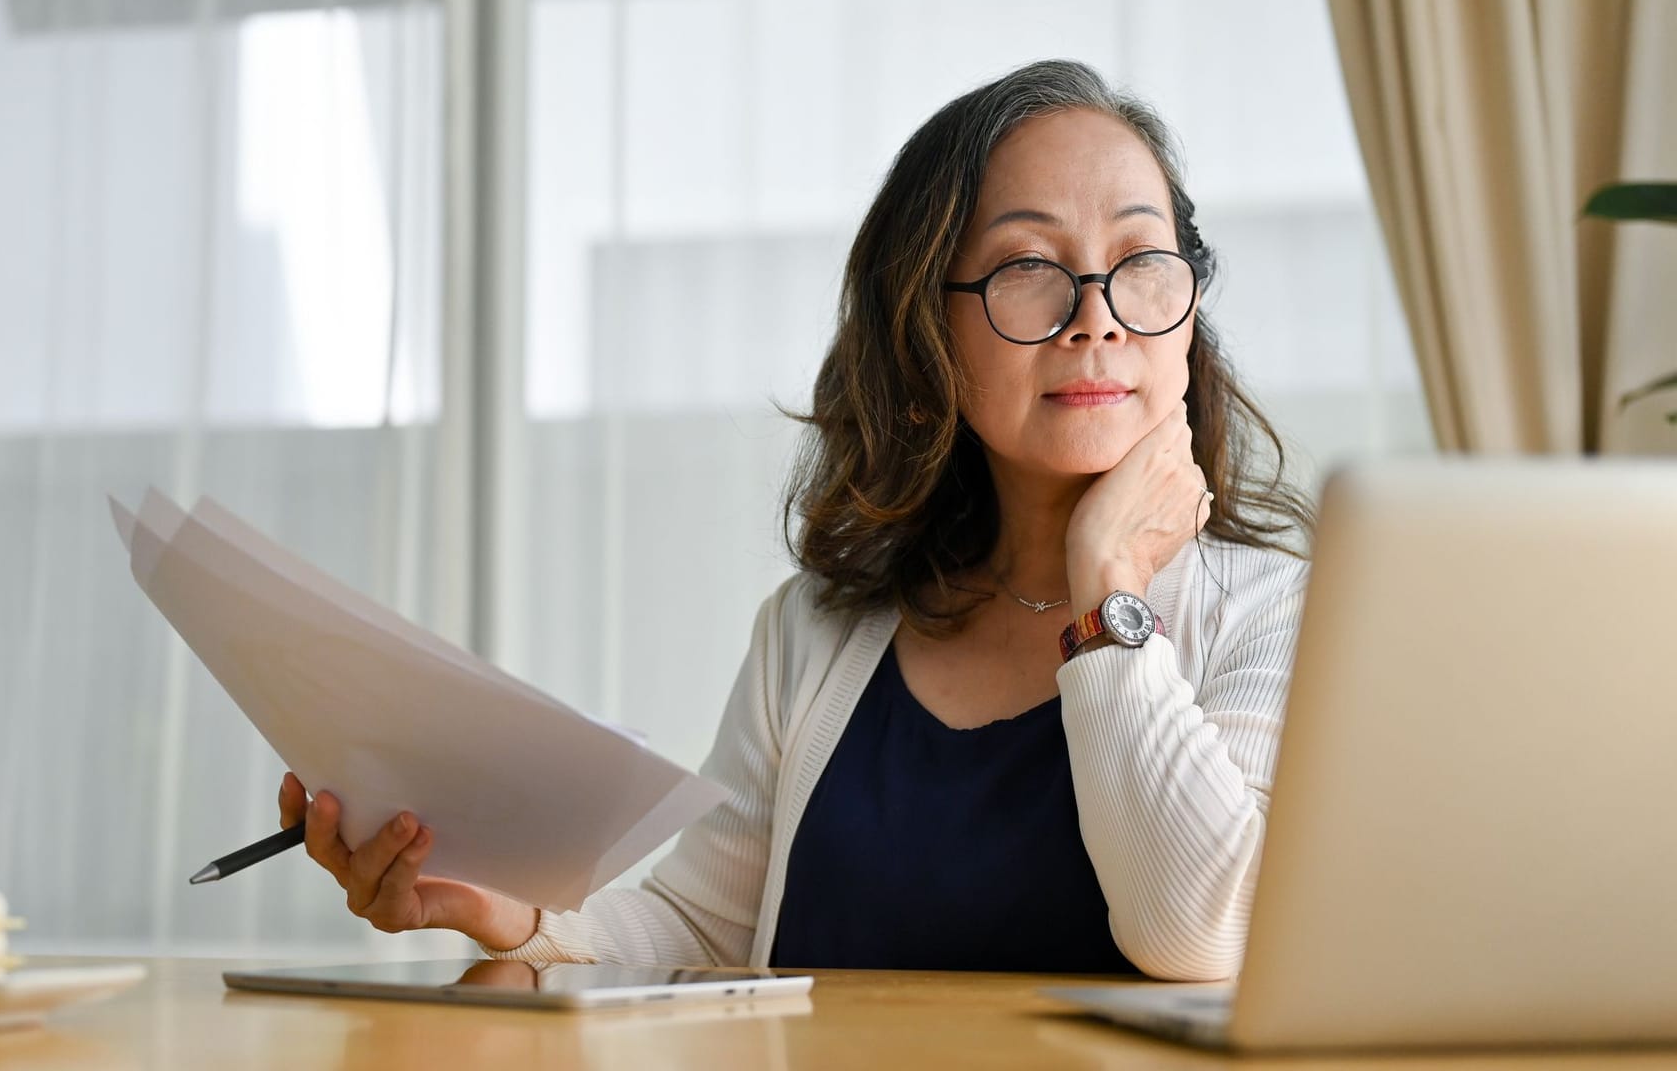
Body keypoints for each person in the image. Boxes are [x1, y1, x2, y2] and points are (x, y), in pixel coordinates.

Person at [277, 59, 1313, 982]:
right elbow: (699, 926)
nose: (1097, 313)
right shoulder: (813, 631)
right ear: (929, 335)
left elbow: (1198, 935)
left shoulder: (1275, 614)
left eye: (1141, 261)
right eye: (1029, 269)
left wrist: (1109, 592)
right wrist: (514, 919)